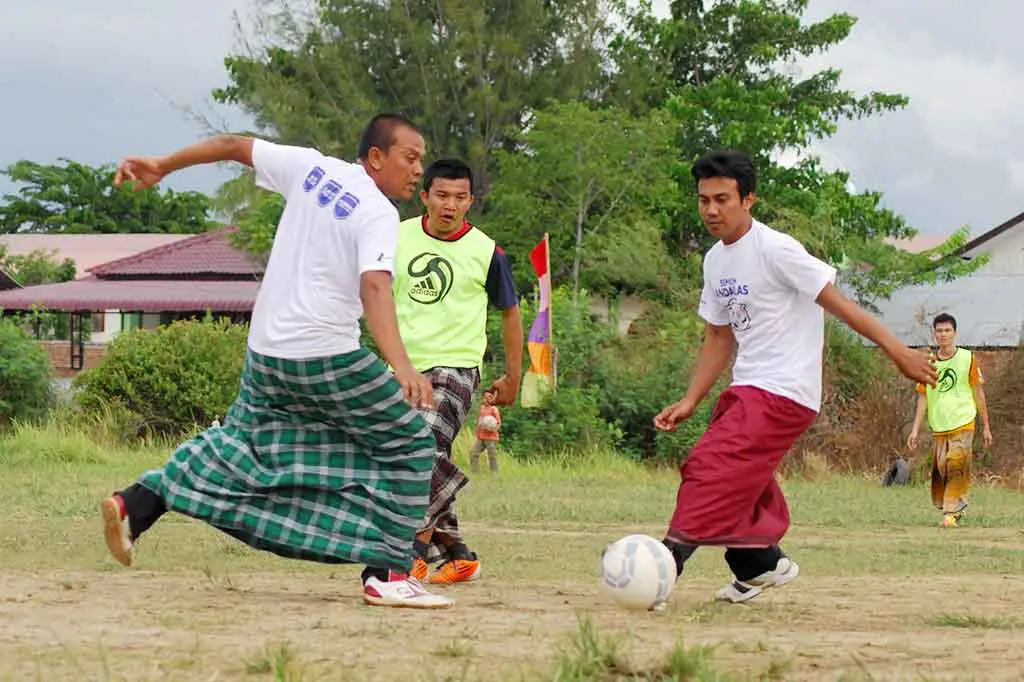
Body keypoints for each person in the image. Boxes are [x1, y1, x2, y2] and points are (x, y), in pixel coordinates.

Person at [100, 114, 454, 610]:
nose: (419, 170)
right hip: (325, 354)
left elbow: (231, 144)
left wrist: (163, 165)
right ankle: (389, 572)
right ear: (376, 157)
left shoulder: (309, 167)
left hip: (266, 352)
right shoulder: (377, 212)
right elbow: (375, 286)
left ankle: (137, 504)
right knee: (411, 443)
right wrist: (401, 366)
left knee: (242, 443)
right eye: (410, 158)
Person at [653, 150, 937, 606]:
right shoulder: (714, 261)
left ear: (749, 199)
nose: (710, 209)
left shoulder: (777, 250)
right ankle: (760, 563)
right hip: (748, 388)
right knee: (742, 479)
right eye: (704, 199)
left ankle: (663, 568)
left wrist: (898, 352)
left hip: (784, 391)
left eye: (722, 199)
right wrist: (690, 399)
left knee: (710, 467)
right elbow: (718, 337)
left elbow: (844, 307)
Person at [392, 158, 522, 585]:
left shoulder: (487, 252)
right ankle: (456, 554)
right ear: (424, 195)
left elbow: (510, 312)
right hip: (403, 367)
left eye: (460, 198)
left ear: (471, 201)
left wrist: (513, 376)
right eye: (442, 195)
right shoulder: (396, 237)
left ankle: (408, 551)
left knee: (421, 446)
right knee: (410, 452)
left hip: (457, 366)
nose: (450, 205)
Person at [907, 313, 992, 527]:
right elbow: (923, 396)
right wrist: (915, 429)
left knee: (957, 463)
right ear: (934, 334)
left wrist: (987, 426)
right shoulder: (929, 362)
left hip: (963, 421)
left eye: (947, 331)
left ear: (955, 333)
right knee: (942, 468)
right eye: (939, 331)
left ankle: (952, 513)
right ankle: (951, 509)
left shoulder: (967, 358)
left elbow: (978, 392)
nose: (943, 335)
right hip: (940, 425)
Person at [470, 396, 502, 473]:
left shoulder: (494, 409)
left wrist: (492, 428)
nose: (483, 400)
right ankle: (475, 472)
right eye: (483, 398)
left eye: (484, 398)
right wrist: (477, 432)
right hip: (481, 437)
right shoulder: (482, 408)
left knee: (492, 455)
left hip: (490, 438)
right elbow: (480, 421)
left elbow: (498, 423)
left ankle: (495, 473)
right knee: (473, 452)